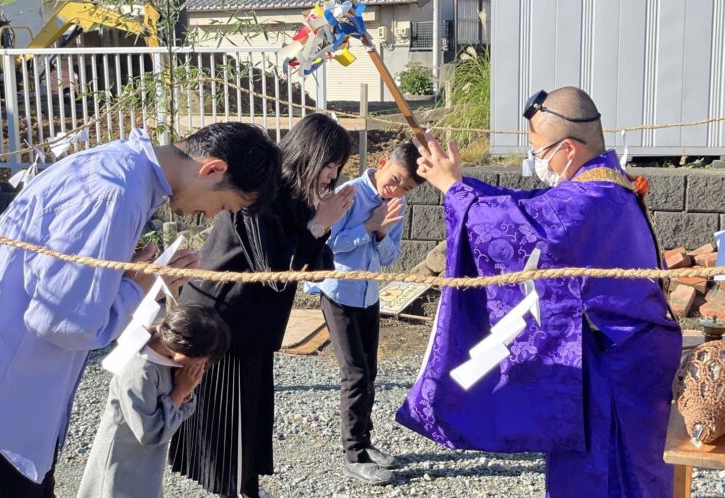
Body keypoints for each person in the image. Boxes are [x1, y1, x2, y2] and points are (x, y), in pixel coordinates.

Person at [396, 87, 682, 497]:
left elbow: (526, 224)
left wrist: (454, 191)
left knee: (610, 475)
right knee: (631, 469)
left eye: (538, 150)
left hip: (615, 364)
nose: (537, 161)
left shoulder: (593, 199)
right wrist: (458, 184)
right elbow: (528, 204)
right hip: (626, 355)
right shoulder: (601, 185)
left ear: (567, 148)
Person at [0, 122, 282, 498]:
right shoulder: (116, 192)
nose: (206, 217)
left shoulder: (115, 170)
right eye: (221, 206)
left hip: (12, 395)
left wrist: (124, 277)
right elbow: (62, 321)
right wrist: (137, 289)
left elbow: (55, 281)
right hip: (5, 408)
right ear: (213, 169)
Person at [168, 113, 355, 498]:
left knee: (249, 410)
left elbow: (316, 269)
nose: (332, 176)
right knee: (230, 412)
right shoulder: (259, 191)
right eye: (330, 164)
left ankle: (240, 487)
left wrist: (320, 227)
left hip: (251, 322)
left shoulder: (301, 199)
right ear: (310, 155)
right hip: (219, 317)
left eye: (338, 167)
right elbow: (272, 271)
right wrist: (317, 227)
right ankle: (239, 490)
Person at [305, 142, 424, 485]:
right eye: (395, 180)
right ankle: (353, 454)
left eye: (405, 188)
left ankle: (366, 442)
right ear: (382, 161)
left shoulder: (395, 205)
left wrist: (383, 231)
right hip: (338, 293)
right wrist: (368, 227)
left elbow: (389, 258)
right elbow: (327, 246)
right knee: (354, 373)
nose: (396, 190)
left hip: (370, 295)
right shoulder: (347, 194)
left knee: (369, 371)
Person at [77, 304, 230, 498]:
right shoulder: (140, 370)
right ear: (181, 348)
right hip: (120, 459)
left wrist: (185, 392)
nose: (202, 367)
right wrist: (180, 391)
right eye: (200, 361)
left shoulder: (168, 361)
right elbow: (149, 434)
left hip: (145, 461)